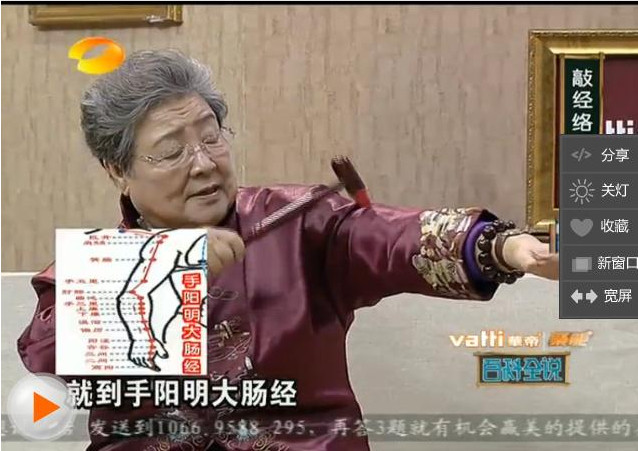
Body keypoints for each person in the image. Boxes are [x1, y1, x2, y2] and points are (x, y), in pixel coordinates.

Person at [18, 49, 559, 451]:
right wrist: (161, 270)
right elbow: (50, 364)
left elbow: (391, 236)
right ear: (118, 170)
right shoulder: (90, 271)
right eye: (171, 151)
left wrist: (505, 247)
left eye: (211, 136)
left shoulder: (301, 221)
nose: (203, 163)